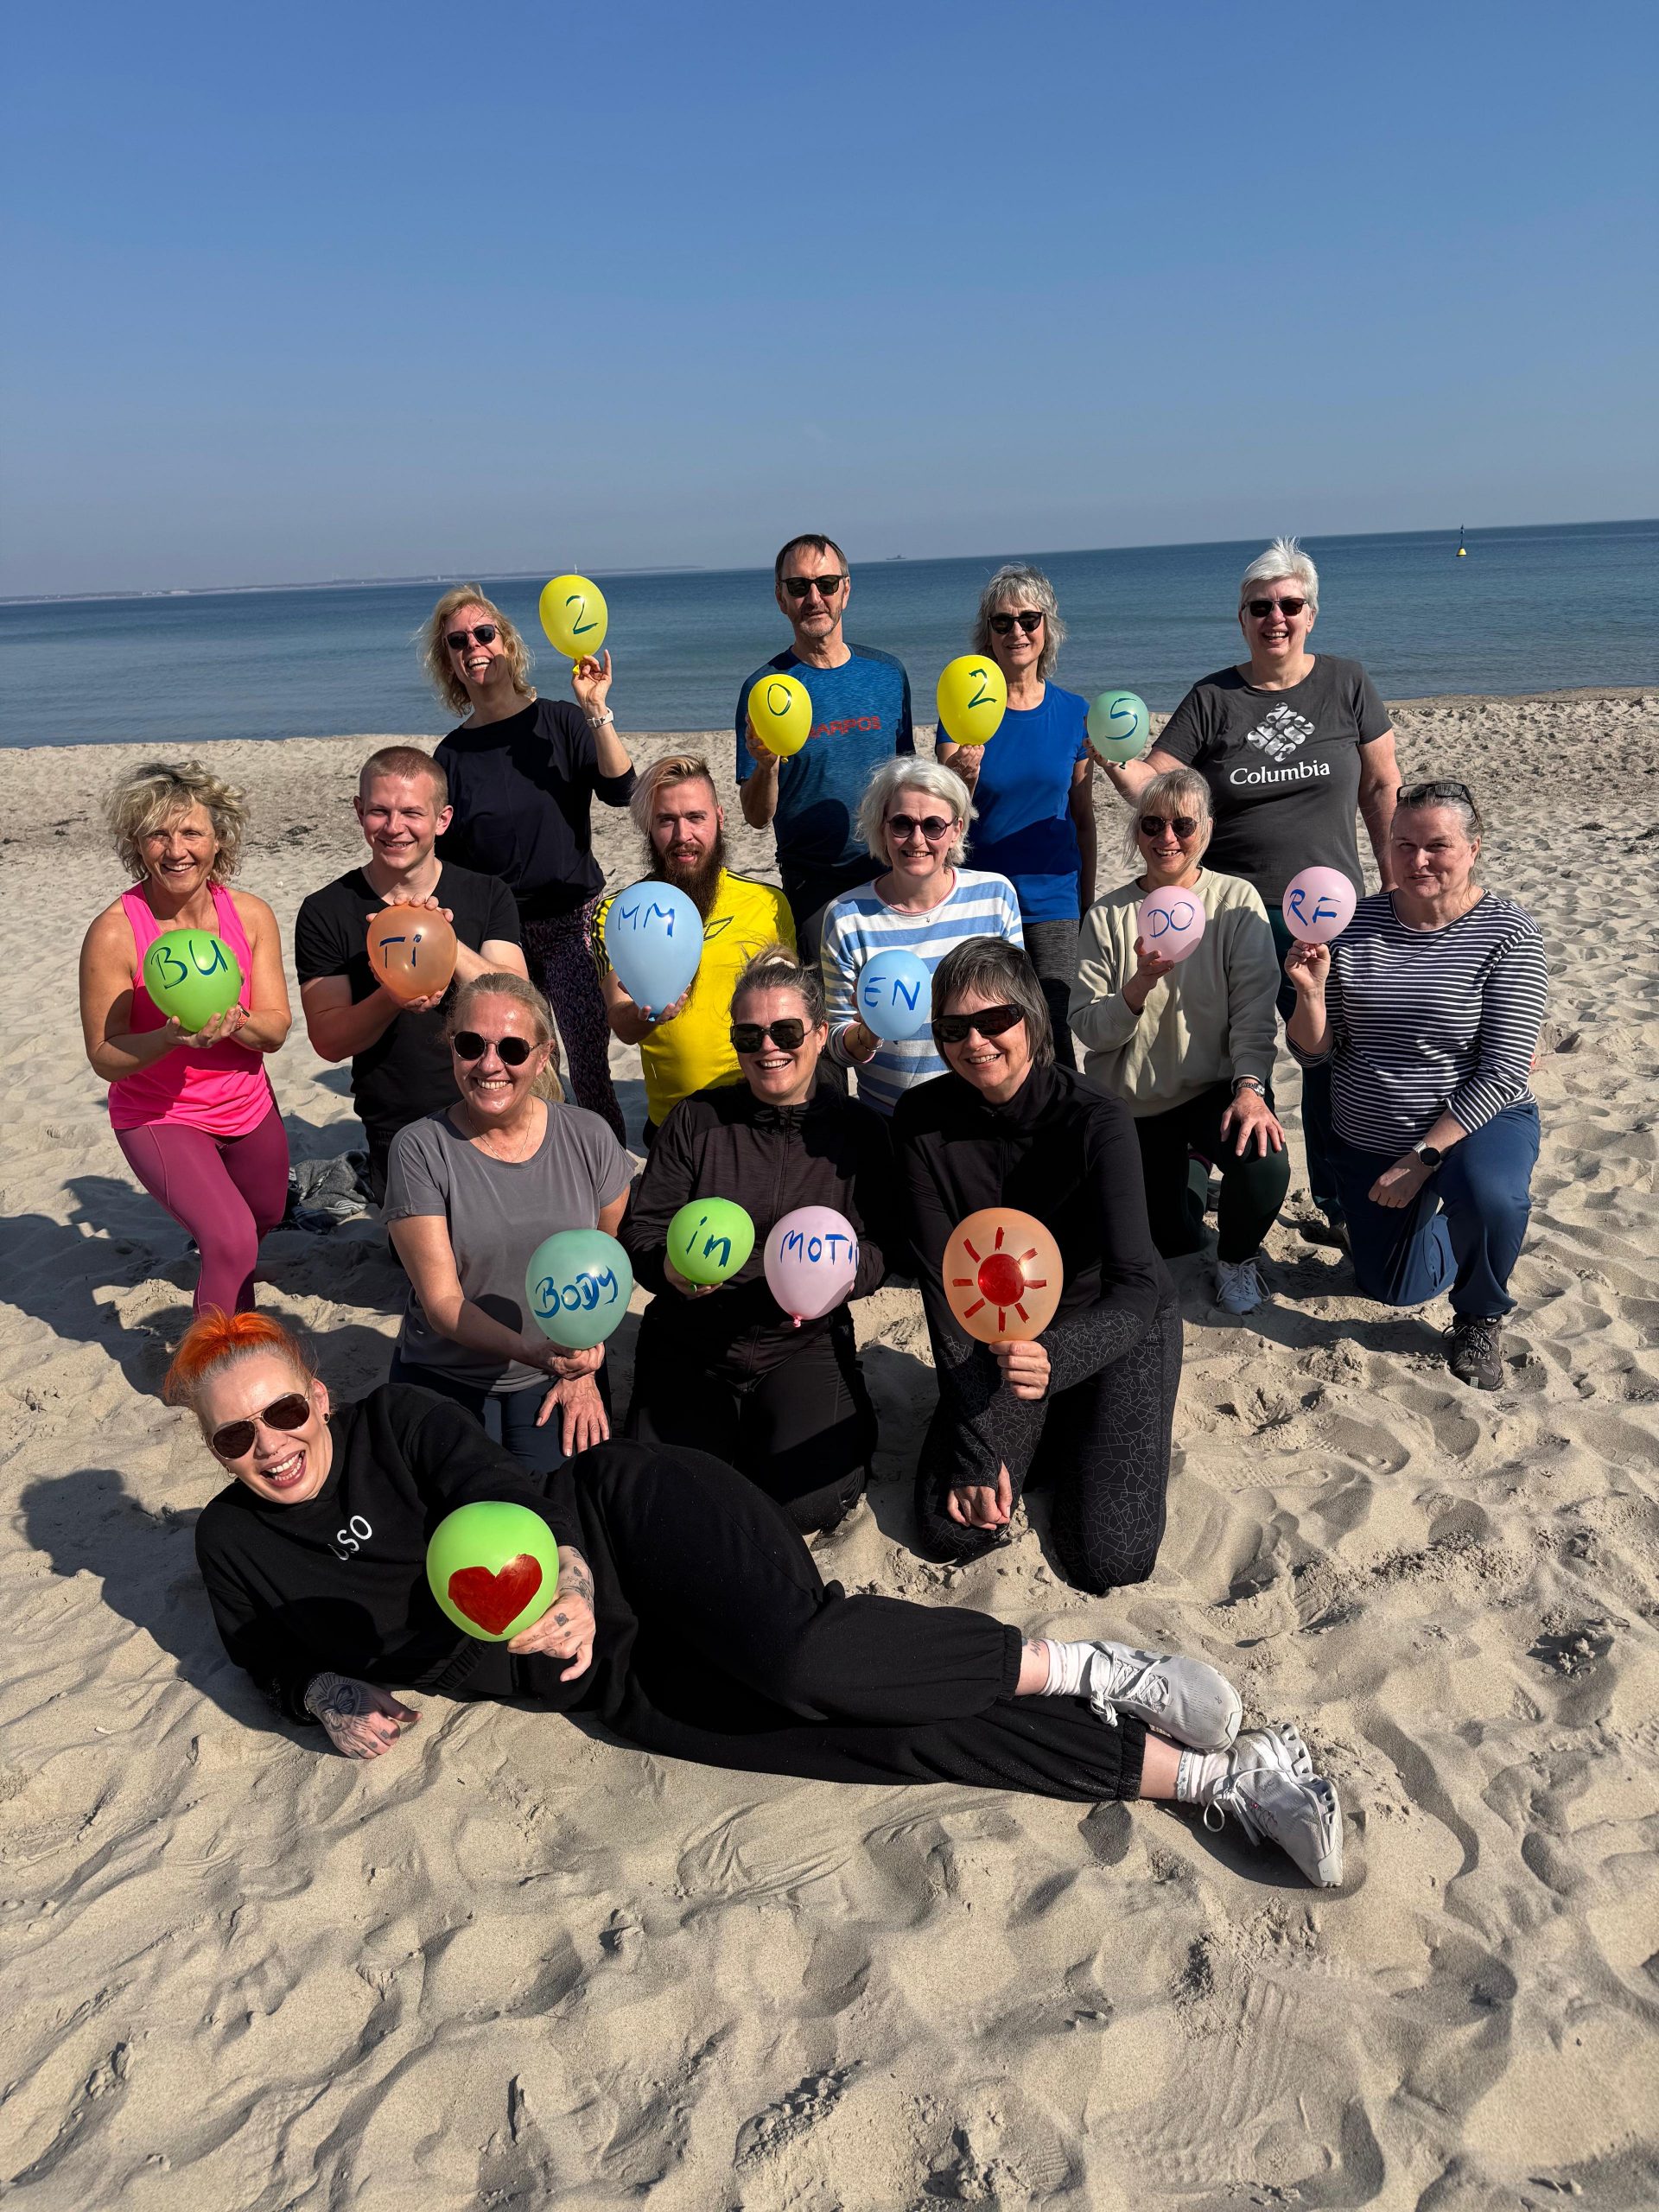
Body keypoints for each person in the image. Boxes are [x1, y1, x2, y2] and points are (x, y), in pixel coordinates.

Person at [175, 1309, 1344, 1885]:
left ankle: (1091, 1669)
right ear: (214, 1447)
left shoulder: (399, 1420)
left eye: (284, 1411)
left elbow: (508, 1505)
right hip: (598, 1679)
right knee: (857, 1740)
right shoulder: (232, 1543)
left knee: (807, 1660)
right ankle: (1208, 1776)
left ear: (317, 1397)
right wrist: (327, 1691)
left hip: (620, 1524)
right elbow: (267, 1659)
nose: (271, 1445)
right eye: (238, 1435)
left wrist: (570, 1585)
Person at [1102, 540, 1402, 1250]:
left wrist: (1390, 886)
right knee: (1224, 1045)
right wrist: (1113, 761)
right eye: (1261, 606)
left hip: (1333, 913)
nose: (1277, 617)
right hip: (1235, 910)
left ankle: (1333, 1194)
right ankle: (1215, 1159)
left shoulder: (1347, 683)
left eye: (1290, 605)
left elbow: (1381, 786)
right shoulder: (1214, 698)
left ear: (1311, 613)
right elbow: (1156, 784)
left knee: (1331, 1053)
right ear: (1241, 618)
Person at [895, 939, 1182, 1596]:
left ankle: (1075, 1419)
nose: (975, 1043)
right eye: (953, 1028)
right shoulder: (920, 1121)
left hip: (1108, 1326)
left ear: (1033, 1020)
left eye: (995, 1022)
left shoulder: (1096, 1120)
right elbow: (944, 1289)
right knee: (952, 1533)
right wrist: (975, 1447)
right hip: (1000, 1341)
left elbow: (1137, 1287)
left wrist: (1059, 1356)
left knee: (1110, 1560)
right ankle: (1044, 1430)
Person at [621, 946, 899, 1532]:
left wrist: (842, 1278)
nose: (768, 1047)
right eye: (749, 1036)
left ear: (820, 1035)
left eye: (785, 1030)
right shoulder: (698, 1119)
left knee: (810, 1504)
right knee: (675, 1494)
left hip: (798, 1341)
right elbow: (642, 1230)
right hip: (692, 1337)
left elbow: (883, 1245)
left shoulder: (860, 1131)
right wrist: (668, 1272)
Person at [1285, 780, 1548, 1390]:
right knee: (1390, 1289)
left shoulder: (1508, 934)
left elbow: (1505, 1070)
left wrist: (1423, 1158)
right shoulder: (1352, 924)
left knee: (1492, 1196)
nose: (1419, 860)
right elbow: (1315, 1052)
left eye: (1438, 845)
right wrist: (1311, 994)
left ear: (1474, 847)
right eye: (1405, 845)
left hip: (1469, 1128)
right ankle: (1444, 1222)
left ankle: (1480, 1314)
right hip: (1372, 1137)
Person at [382, 973, 633, 1470]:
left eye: (513, 1048)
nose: (489, 1065)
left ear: (542, 1056)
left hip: (559, 1366)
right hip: (446, 1370)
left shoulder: (589, 1136)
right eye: (471, 1044)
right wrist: (538, 1353)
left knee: (560, 1506)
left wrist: (580, 1362)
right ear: (452, 1048)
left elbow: (607, 1258)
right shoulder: (420, 1149)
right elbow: (442, 1304)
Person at [79, 760, 292, 1317]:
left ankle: (226, 1273)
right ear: (137, 844)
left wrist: (233, 1021)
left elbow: (276, 1030)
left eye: (192, 832)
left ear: (219, 840)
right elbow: (105, 1056)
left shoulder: (250, 916)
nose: (177, 850)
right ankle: (215, 1369)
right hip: (159, 1115)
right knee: (231, 1239)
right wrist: (171, 1039)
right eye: (158, 834)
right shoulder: (114, 932)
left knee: (265, 1215)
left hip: (246, 1105)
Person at [1071, 770, 1287, 1314]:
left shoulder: (1236, 901)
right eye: (1152, 824)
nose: (1167, 837)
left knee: (1264, 1159)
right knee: (1175, 1238)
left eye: (1183, 824)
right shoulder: (1107, 915)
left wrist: (1250, 1088)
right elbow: (1089, 1028)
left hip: (1215, 1089)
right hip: (1134, 1102)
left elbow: (1255, 1012)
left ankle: (1237, 1262)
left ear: (1207, 830)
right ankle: (1191, 1169)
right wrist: (1138, 987)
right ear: (1137, 834)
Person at [423, 586, 634, 1142]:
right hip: (499, 935)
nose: (474, 646)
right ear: (450, 661)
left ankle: (608, 1175)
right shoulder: (450, 756)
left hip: (572, 921)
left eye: (485, 633)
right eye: (458, 641)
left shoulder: (563, 721)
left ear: (508, 643)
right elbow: (449, 862)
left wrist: (597, 711)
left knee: (589, 1070)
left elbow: (622, 789)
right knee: (531, 1070)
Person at [294, 747, 527, 1203]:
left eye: (411, 813)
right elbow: (328, 1041)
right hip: (399, 1123)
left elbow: (517, 1000)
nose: (394, 827)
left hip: (494, 1103)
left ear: (442, 820)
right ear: (360, 812)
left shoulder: (486, 893)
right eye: (379, 811)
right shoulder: (326, 910)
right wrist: (390, 997)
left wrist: (442, 939)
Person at [935, 564, 1096, 1068]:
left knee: (1054, 1036)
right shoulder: (962, 709)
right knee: (984, 1038)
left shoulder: (1074, 712)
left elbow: (1083, 820)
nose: (1017, 632)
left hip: (1053, 902)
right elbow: (943, 819)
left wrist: (1084, 904)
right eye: (1002, 622)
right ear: (988, 632)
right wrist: (961, 775)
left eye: (1029, 619)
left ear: (1048, 627)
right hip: (979, 901)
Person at [594, 754, 795, 1141]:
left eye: (695, 817)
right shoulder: (618, 913)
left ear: (720, 817)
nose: (682, 835)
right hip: (675, 1123)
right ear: (648, 829)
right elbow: (622, 1025)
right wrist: (648, 1014)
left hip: (759, 1114)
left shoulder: (769, 904)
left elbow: (792, 1016)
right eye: (666, 820)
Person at [736, 534, 914, 961]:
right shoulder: (763, 689)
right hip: (815, 886)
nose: (814, 598)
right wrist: (767, 768)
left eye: (827, 584)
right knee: (835, 1019)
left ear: (846, 590)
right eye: (798, 587)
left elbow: (908, 780)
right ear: (781, 598)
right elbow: (756, 817)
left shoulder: (888, 675)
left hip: (894, 870)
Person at [821, 758, 1024, 1116]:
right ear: (882, 829)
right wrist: (866, 1034)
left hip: (982, 1113)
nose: (917, 840)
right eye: (902, 824)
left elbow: (1016, 1013)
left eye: (933, 826)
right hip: (890, 1120)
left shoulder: (996, 896)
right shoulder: (846, 916)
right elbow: (836, 1043)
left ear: (956, 829)